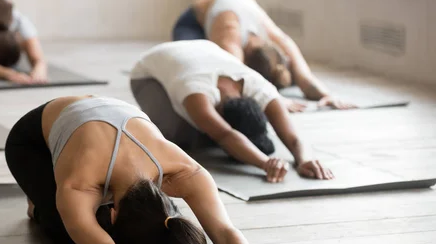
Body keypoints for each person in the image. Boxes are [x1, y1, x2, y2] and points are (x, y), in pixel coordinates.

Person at [5, 95, 304, 244]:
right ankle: (37, 201)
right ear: (113, 213)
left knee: (90, 221)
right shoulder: (80, 185)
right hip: (32, 143)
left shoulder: (184, 170)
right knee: (67, 232)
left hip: (101, 124)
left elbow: (223, 228)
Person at [130, 40, 334, 183]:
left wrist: (304, 158)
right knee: (182, 137)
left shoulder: (260, 88)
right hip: (147, 73)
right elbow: (226, 135)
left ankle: (222, 136)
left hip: (201, 50)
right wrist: (265, 164)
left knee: (211, 133)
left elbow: (293, 137)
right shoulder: (196, 93)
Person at [173, 0, 355, 112]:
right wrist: (275, 100)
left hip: (231, 5)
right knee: (195, 65)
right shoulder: (230, 36)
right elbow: (234, 76)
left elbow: (305, 78)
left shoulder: (280, 40)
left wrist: (327, 95)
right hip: (193, 22)